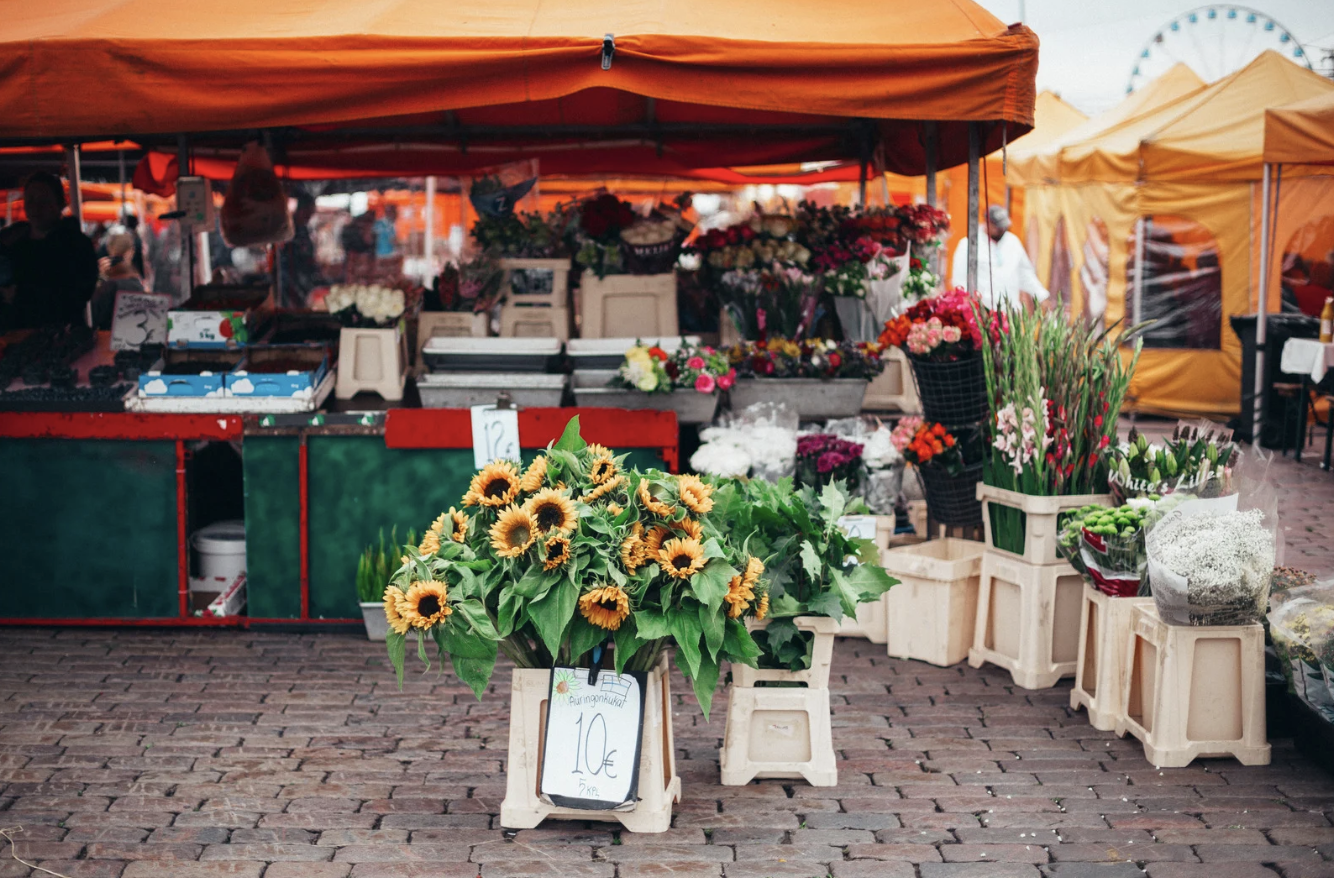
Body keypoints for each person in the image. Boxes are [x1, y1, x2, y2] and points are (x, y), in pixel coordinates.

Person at [0, 172, 100, 330]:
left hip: (60, 334)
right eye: (30, 200)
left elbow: (77, 294)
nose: (36, 207)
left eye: (44, 200)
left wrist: (22, 295)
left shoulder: (75, 245)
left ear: (60, 204)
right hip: (13, 336)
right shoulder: (11, 241)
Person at [950, 205, 1050, 310]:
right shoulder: (968, 244)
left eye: (1004, 226)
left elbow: (1025, 274)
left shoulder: (1013, 242)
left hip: (1010, 311)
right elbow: (959, 280)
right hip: (982, 312)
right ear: (988, 223)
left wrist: (1041, 296)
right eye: (998, 227)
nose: (1002, 230)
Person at [91, 232, 146, 330]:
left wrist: (100, 278)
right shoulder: (134, 279)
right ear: (131, 251)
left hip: (106, 337)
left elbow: (94, 312)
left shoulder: (106, 283)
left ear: (109, 250)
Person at [280, 190, 323, 306]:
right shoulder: (289, 227)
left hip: (302, 276)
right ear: (302, 210)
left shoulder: (304, 229)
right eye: (309, 212)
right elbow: (287, 255)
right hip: (289, 278)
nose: (310, 216)